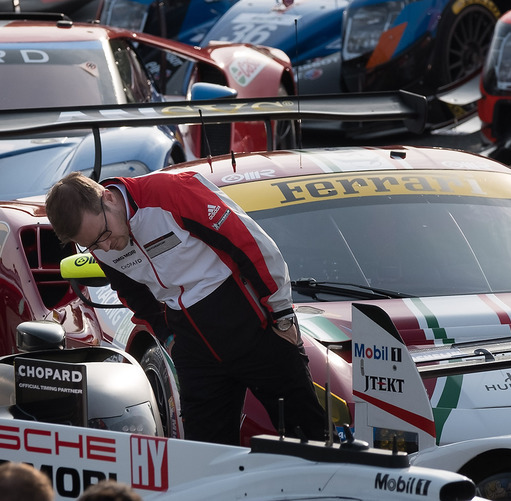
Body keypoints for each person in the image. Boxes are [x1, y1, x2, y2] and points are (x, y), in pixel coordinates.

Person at [46, 171, 327, 445]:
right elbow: (131, 293)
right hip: (191, 342)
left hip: (252, 322)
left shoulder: (170, 192)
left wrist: (282, 314)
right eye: (93, 245)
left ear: (108, 198)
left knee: (308, 432)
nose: (106, 247)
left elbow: (249, 243)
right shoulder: (99, 238)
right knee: (204, 451)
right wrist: (166, 336)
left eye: (104, 234)